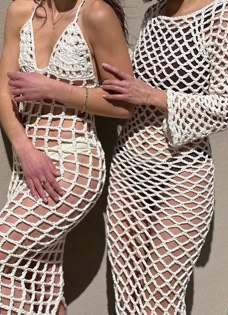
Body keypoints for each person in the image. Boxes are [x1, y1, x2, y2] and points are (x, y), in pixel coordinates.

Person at [101, 0, 228, 314]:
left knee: (158, 302)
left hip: (183, 174)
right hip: (128, 171)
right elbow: (144, 74)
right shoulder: (154, 13)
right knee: (129, 299)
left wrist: (150, 96)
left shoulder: (223, 14)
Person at [0, 0, 133, 314]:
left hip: (73, 163)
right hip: (28, 163)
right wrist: (24, 148)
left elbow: (124, 105)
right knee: (37, 277)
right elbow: (3, 92)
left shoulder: (97, 14)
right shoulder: (21, 10)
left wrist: (53, 88)